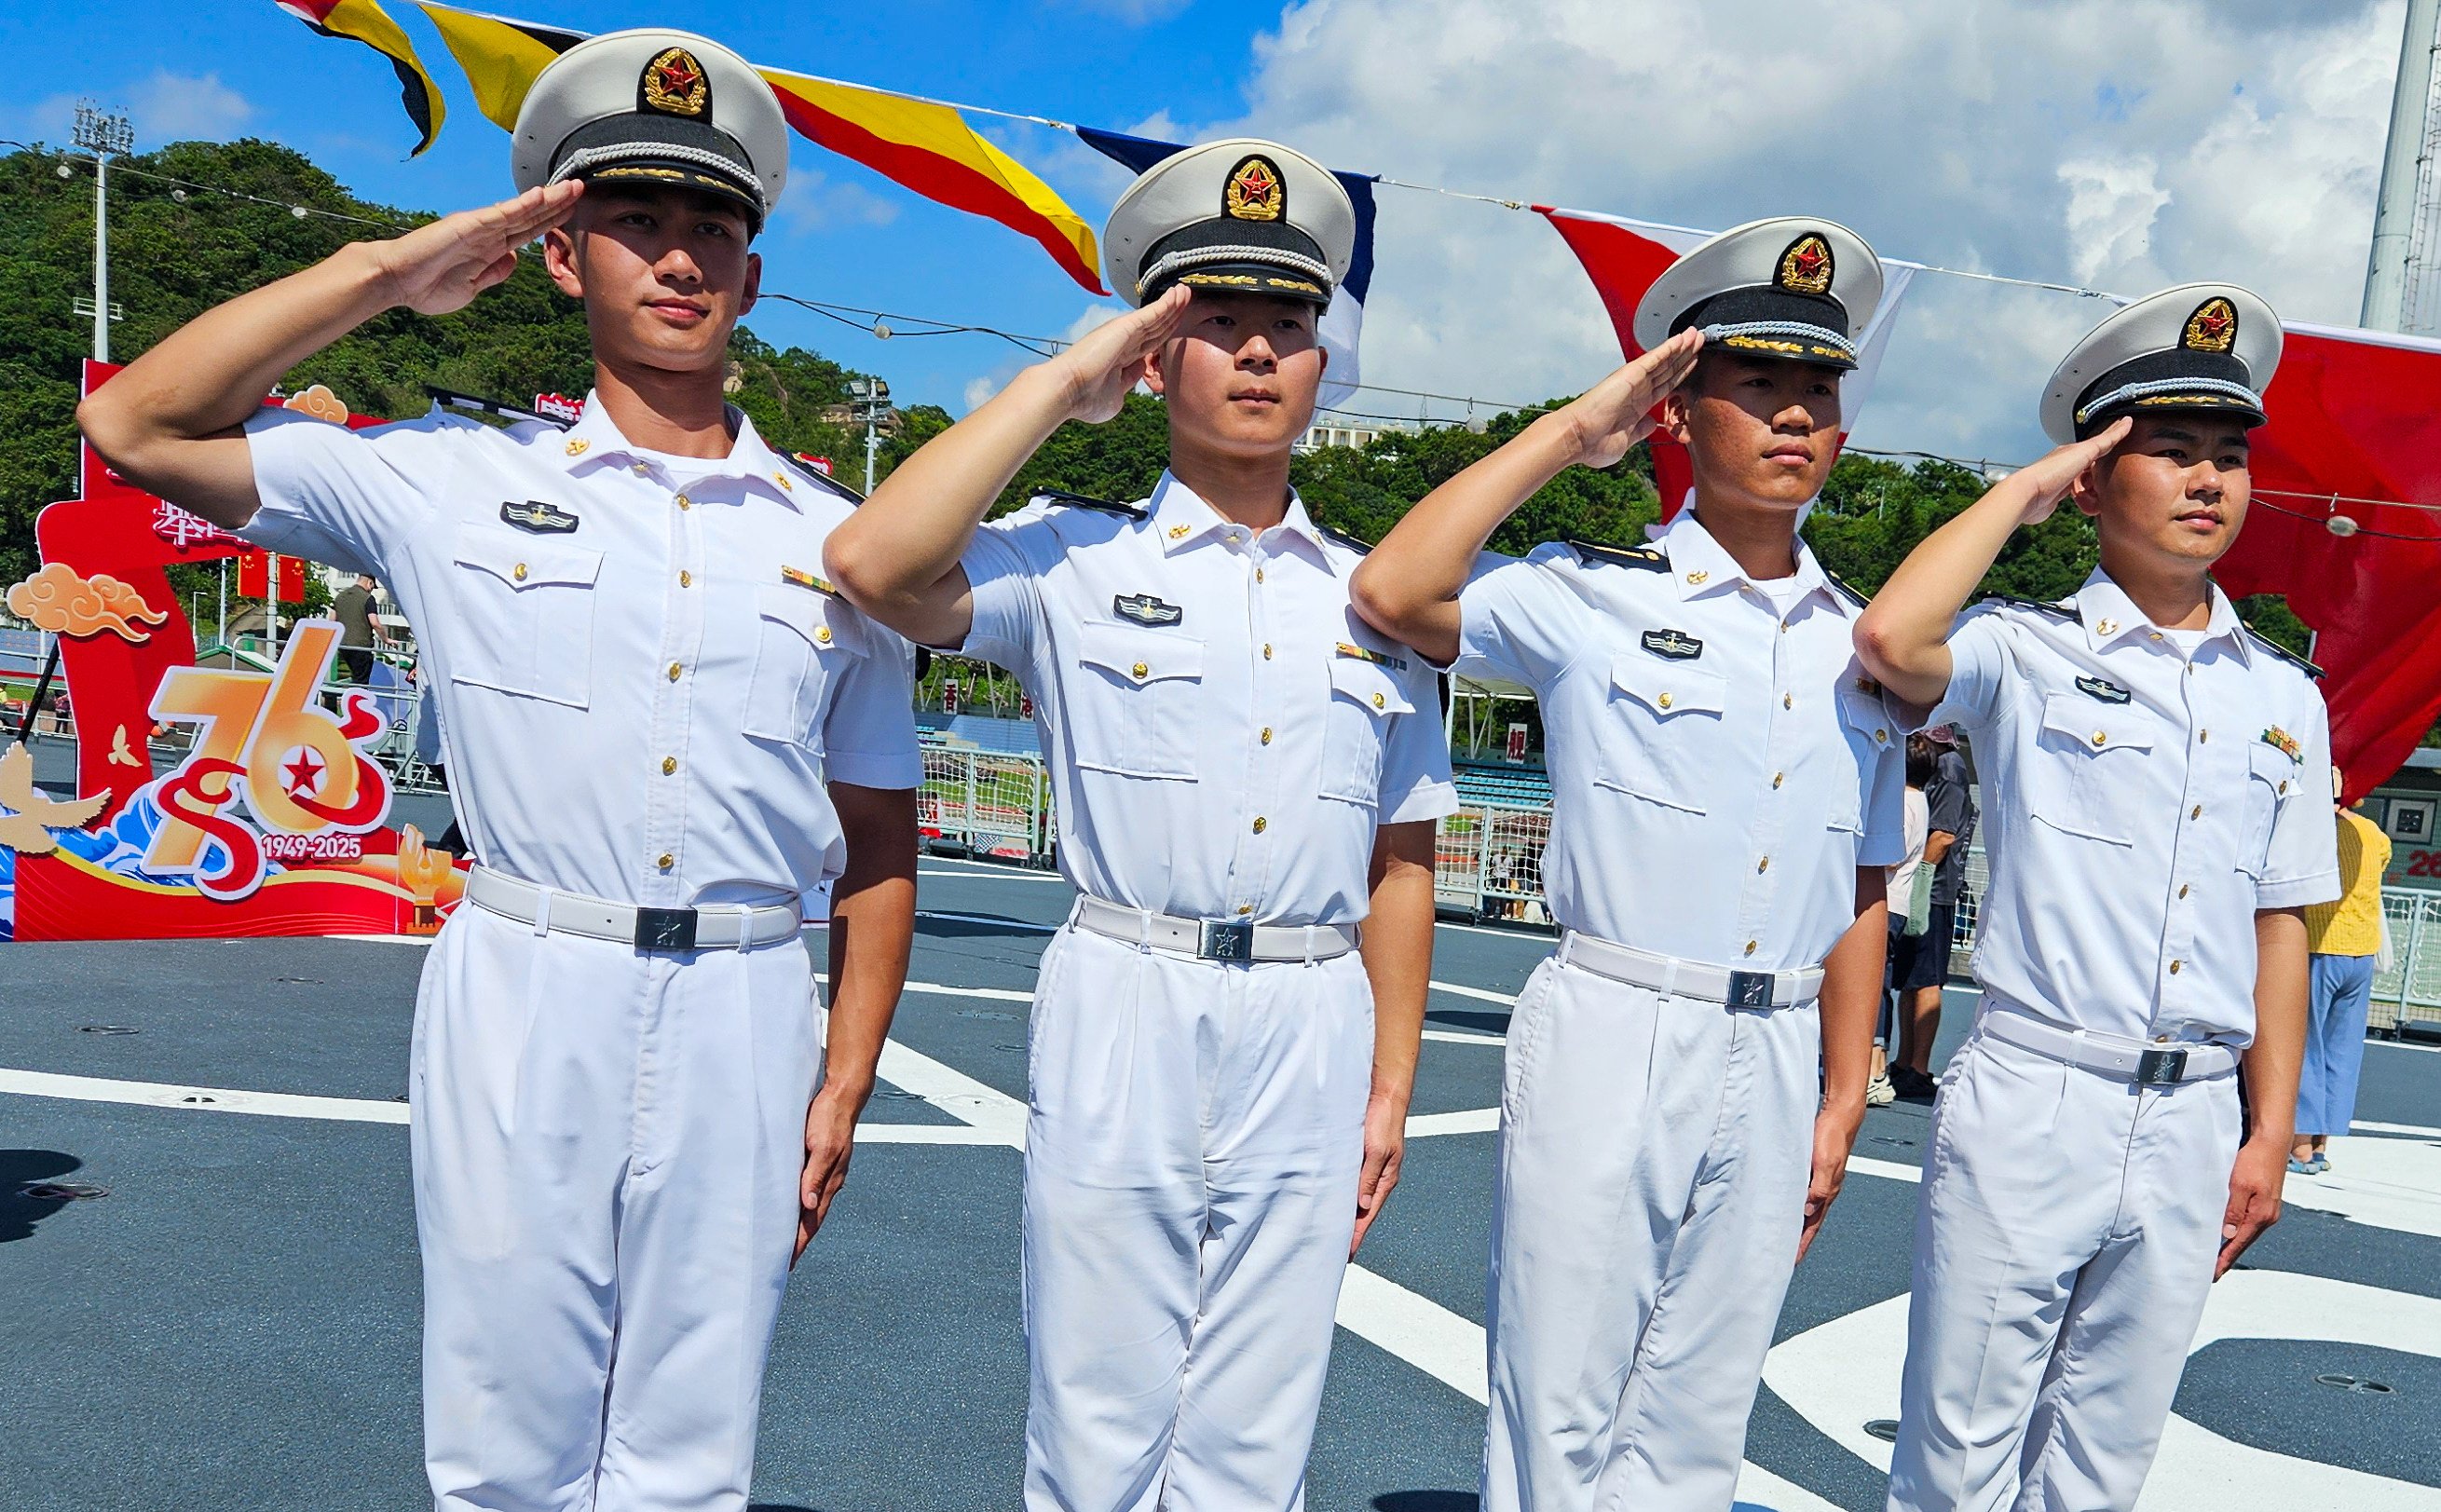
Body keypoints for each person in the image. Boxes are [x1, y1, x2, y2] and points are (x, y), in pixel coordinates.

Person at [77, 30, 921, 1512]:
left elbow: (878, 832)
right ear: (557, 253)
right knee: (502, 1434)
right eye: (636, 221)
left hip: (744, 996)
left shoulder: (840, 540)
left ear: (754, 271)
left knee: (693, 1445)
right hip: (533, 969)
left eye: (713, 226)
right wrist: (386, 272)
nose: (679, 257)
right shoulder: (448, 478)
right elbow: (135, 424)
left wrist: (844, 1076)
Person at [824, 139, 1456, 1510]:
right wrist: (1061, 385)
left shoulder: (1381, 600)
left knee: (1259, 1417)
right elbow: (874, 563)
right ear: (1153, 360)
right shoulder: (1066, 556)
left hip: (1311, 1006)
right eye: (1211, 322)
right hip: (1131, 984)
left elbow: (1402, 859)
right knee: (1098, 1404)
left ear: (1323, 361)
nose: (1252, 354)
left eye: (1284, 324)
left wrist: (1391, 1081)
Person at [1350, 216, 1905, 1512]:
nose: (1793, 417)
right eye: (1756, 385)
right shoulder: (1592, 593)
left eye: (1817, 391)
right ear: (1676, 413)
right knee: (1562, 1395)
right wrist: (1568, 435)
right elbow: (1392, 589)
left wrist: (1842, 1085)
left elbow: (1868, 882)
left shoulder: (1865, 644)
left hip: (1774, 1050)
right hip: (1617, 1017)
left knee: (1702, 1413)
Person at [1855, 283, 2340, 1512]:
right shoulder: (2027, 652)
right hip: (2038, 1093)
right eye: (2168, 451)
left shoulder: (2283, 697)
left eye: (2228, 456)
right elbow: (1894, 645)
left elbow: (2281, 919)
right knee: (1958, 1456)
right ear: (2092, 477)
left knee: (2103, 1466)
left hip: (2192, 1120)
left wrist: (2269, 1128)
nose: (2205, 480)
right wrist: (2019, 491)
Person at [2296, 770, 2391, 1173]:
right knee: (2342, 1049)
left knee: (2303, 1045)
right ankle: (2321, 1144)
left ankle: (2298, 1146)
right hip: (2361, 951)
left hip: (2320, 944)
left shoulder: (2314, 830)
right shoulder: (2375, 834)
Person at [1889, 729, 1970, 1098]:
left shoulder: (1949, 767)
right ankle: (1904, 1062)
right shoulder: (1938, 764)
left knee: (1927, 979)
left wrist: (1917, 880)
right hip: (1919, 887)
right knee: (1909, 980)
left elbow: (1943, 835)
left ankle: (1918, 1067)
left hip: (1932, 890)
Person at [1875, 734, 1937, 1106]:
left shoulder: (1901, 801)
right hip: (1900, 903)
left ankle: (1875, 1067)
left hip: (1886, 899)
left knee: (1873, 987)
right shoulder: (1921, 800)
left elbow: (1890, 857)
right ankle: (1877, 1066)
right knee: (1881, 985)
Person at [332, 571, 389, 685]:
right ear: (370, 583)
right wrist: (386, 639)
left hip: (343, 646)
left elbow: (332, 621)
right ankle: (357, 701)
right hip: (360, 647)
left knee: (355, 677)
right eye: (372, 587)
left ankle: (349, 698)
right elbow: (375, 623)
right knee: (361, 681)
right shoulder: (368, 598)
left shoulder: (339, 597)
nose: (371, 590)